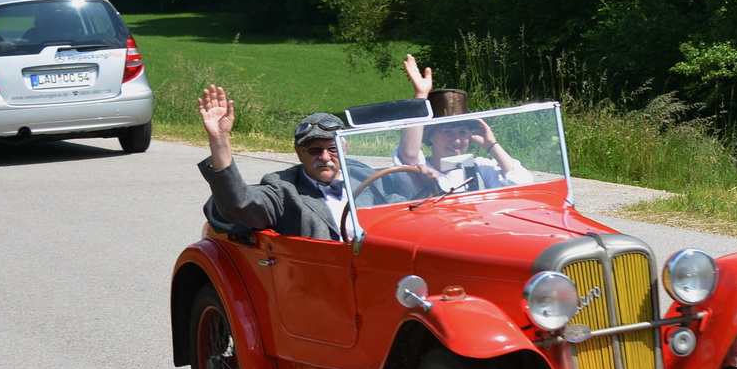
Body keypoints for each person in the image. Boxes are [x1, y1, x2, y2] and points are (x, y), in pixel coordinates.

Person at [197, 54, 436, 240]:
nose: (325, 157)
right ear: (299, 153)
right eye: (314, 150)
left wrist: (429, 187)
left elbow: (403, 210)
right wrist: (220, 139)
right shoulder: (284, 189)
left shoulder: (366, 177)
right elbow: (240, 204)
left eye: (332, 149)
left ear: (346, 148)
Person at [392, 56, 532, 193]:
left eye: (463, 132)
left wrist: (491, 145)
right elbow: (409, 156)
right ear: (429, 136)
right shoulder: (421, 170)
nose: (457, 140)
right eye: (447, 132)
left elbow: (523, 184)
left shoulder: (478, 167)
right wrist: (421, 95)